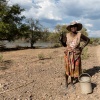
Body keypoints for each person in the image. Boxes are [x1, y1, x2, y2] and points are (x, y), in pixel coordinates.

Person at [60, 21, 90, 89]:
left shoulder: (79, 35)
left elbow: (88, 40)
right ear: (70, 28)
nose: (73, 28)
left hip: (76, 55)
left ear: (77, 27)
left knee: (74, 69)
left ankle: (72, 82)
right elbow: (64, 45)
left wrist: (82, 47)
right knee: (67, 69)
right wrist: (61, 40)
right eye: (72, 27)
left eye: (75, 26)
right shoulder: (67, 35)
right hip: (68, 55)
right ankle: (66, 83)